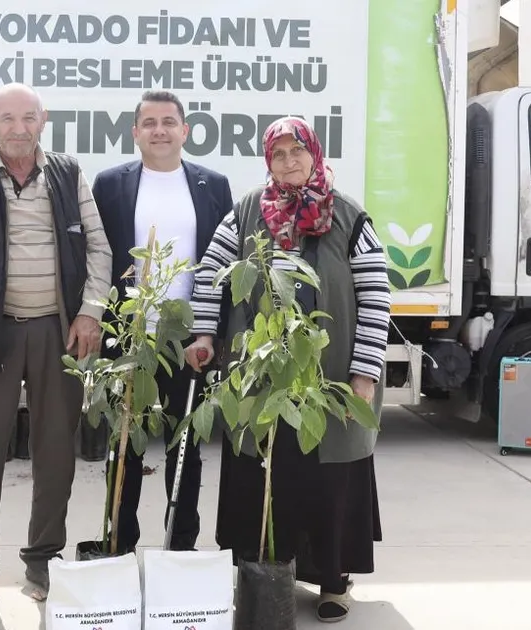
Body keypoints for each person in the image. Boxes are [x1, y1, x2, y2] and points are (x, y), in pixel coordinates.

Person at [184, 116, 391, 624]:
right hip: (261, 372)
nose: (289, 161)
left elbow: (376, 294)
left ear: (314, 154)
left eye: (297, 151)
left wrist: (365, 372)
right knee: (263, 466)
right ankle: (262, 571)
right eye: (278, 154)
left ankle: (333, 580)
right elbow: (213, 273)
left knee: (330, 474)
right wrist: (205, 335)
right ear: (267, 161)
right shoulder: (247, 211)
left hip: (334, 372)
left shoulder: (348, 216)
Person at [0, 82, 113, 618]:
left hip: (58, 333)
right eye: (6, 117)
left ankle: (42, 561)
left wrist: (90, 311)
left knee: (56, 454)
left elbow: (98, 247)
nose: (17, 127)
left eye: (27, 117)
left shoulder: (68, 173)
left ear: (43, 120)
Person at [90, 90, 232, 553]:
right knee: (123, 447)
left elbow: (220, 267)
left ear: (185, 130)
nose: (159, 130)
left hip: (188, 340)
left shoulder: (213, 185)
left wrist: (210, 331)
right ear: (135, 132)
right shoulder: (110, 184)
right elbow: (97, 257)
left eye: (169, 121)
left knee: (185, 452)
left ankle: (180, 549)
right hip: (126, 339)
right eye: (148, 122)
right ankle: (119, 546)